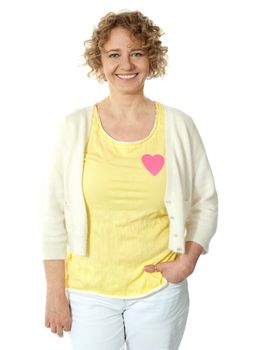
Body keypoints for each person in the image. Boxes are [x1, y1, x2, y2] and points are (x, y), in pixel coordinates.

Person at [41, 10, 218, 350]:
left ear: (151, 58)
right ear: (100, 61)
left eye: (136, 52)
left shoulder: (179, 126)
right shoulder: (76, 127)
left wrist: (188, 261)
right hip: (88, 291)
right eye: (114, 54)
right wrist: (54, 292)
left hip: (158, 291)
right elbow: (52, 215)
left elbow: (205, 201)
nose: (126, 64)